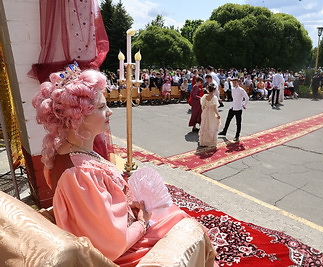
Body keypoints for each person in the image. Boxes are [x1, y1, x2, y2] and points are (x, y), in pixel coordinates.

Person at [32, 64, 215, 266]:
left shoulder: (64, 153)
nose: (110, 112)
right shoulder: (80, 173)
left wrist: (129, 209)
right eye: (102, 107)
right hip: (118, 253)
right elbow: (112, 244)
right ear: (77, 119)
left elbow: (95, 212)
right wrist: (142, 223)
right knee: (184, 222)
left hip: (109, 234)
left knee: (172, 214)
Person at [218, 77, 249, 142]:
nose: (234, 83)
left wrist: (244, 105)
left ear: (238, 82)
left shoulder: (241, 89)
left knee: (238, 122)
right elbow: (234, 97)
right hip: (232, 106)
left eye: (235, 82)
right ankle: (224, 131)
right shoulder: (232, 89)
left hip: (238, 108)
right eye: (233, 82)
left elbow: (247, 98)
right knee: (228, 119)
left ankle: (237, 135)